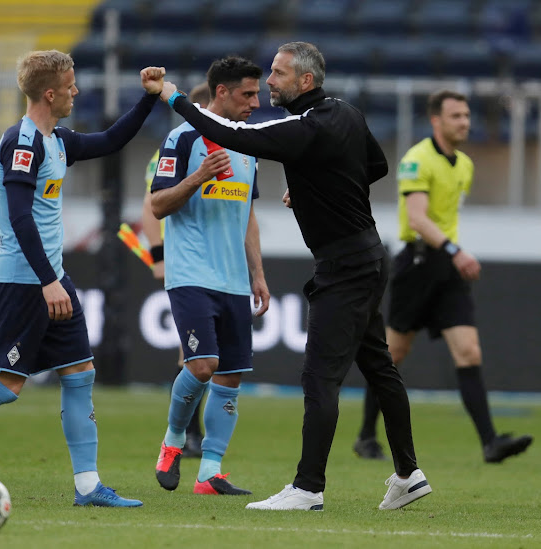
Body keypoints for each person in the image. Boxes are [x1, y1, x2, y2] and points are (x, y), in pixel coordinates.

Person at [158, 41, 430, 511]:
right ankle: (408, 473)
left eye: (279, 74)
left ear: (305, 81)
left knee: (319, 378)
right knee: (380, 367)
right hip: (369, 255)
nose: (269, 81)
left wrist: (175, 98)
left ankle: (308, 488)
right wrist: (316, 187)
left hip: (344, 266)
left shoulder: (305, 124)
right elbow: (376, 165)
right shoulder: (345, 112)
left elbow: (236, 136)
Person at [0, 50, 164, 507]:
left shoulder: (56, 139)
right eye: (71, 84)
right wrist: (47, 281)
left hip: (51, 277)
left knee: (80, 372)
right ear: (50, 92)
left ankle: (88, 487)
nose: (76, 91)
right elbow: (20, 219)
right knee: (6, 383)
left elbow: (110, 141)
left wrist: (148, 100)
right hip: (23, 281)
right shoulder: (23, 143)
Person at [352, 90, 533, 463]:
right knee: (394, 354)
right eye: (456, 116)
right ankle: (367, 435)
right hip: (417, 264)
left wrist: (450, 254)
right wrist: (455, 250)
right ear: (436, 121)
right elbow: (417, 218)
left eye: (467, 115)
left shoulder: (463, 163)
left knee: (469, 351)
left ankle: (490, 443)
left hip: (447, 268)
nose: (465, 122)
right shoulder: (417, 160)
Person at [152, 57, 269, 496]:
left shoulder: (249, 145)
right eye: (247, 94)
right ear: (220, 92)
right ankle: (172, 441)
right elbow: (158, 205)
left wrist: (257, 272)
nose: (255, 103)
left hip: (234, 278)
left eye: (257, 94)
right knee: (202, 365)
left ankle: (210, 473)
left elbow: (248, 214)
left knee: (232, 375)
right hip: (191, 272)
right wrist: (198, 176)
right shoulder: (182, 139)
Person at [141, 81, 211, 459]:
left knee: (196, 355)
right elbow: (148, 209)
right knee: (191, 354)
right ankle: (186, 435)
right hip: (183, 261)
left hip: (210, 261)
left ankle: (191, 435)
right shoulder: (174, 147)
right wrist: (159, 258)